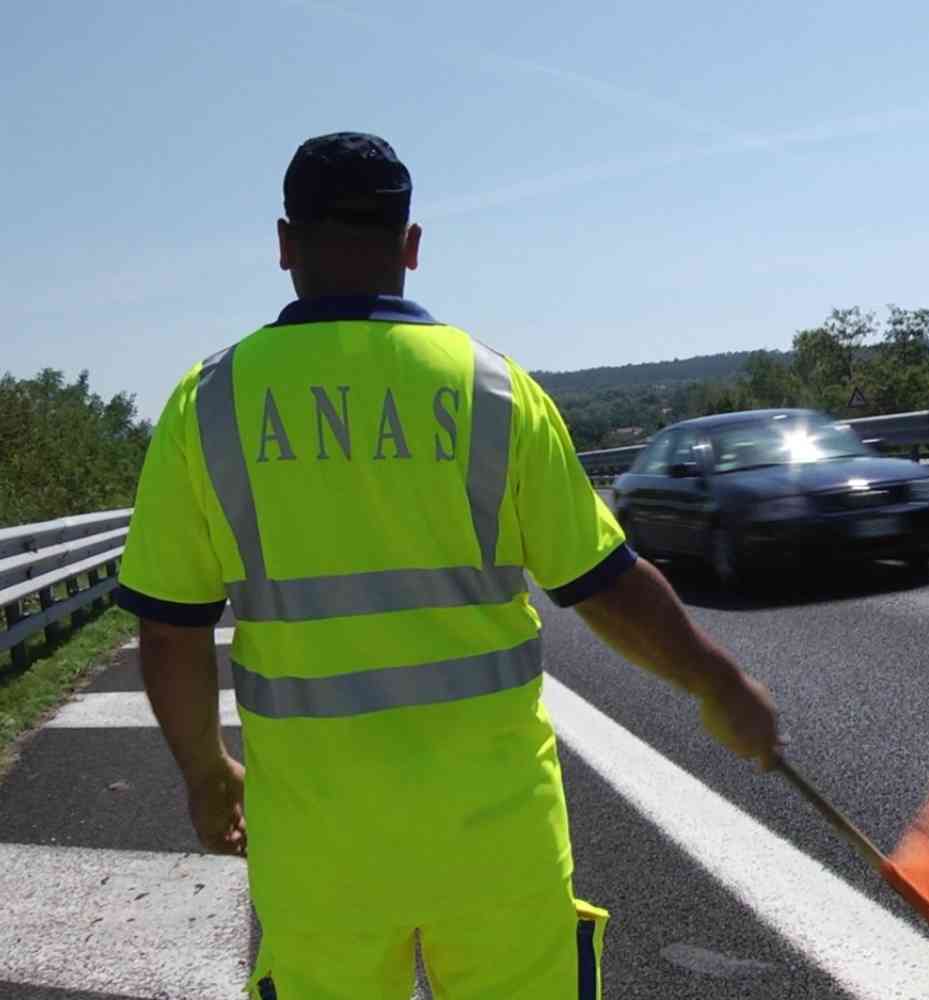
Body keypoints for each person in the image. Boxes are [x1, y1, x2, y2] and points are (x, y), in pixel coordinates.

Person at [114, 131, 781, 1000]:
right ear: (412, 246)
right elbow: (605, 584)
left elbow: (169, 630)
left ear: (284, 244)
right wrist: (715, 682)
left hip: (318, 849)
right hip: (496, 838)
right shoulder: (494, 390)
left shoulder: (207, 405)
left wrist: (208, 777)